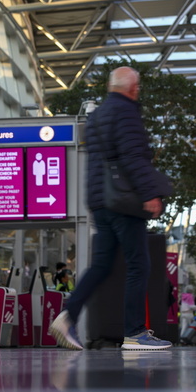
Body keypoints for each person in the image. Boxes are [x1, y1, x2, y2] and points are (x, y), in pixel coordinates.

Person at [48, 66, 172, 351]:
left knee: (101, 265)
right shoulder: (126, 112)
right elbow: (132, 155)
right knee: (139, 266)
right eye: (137, 87)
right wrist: (150, 193)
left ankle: (69, 315)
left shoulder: (98, 115)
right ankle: (134, 332)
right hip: (124, 202)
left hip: (100, 202)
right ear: (133, 88)